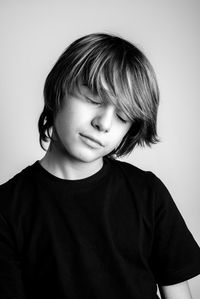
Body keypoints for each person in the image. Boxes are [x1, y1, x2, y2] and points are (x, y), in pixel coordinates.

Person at [0, 33, 200, 299]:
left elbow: (177, 292)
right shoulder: (7, 208)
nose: (104, 124)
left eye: (122, 116)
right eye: (93, 98)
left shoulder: (147, 192)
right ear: (58, 90)